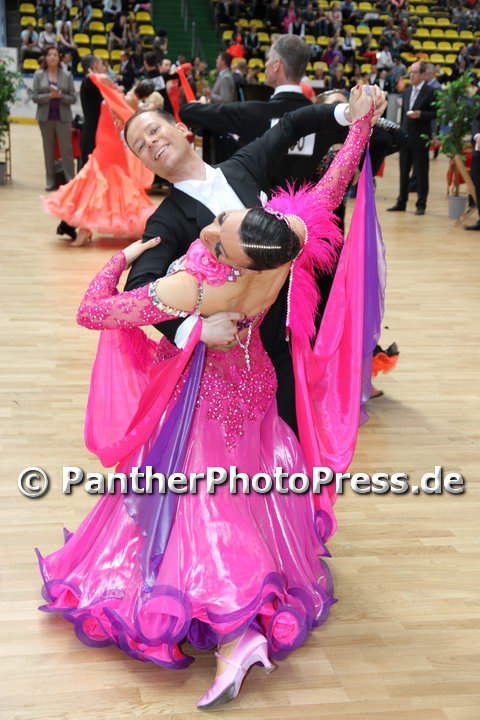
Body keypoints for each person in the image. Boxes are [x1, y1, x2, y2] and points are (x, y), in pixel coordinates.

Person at [35, 86, 376, 711]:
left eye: (220, 225)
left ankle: (235, 632)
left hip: (218, 393)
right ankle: (259, 592)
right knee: (251, 488)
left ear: (181, 129)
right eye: (140, 144)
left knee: (211, 506)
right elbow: (330, 187)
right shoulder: (284, 240)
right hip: (254, 383)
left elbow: (96, 310)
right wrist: (360, 127)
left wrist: (126, 268)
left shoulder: (197, 283)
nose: (215, 221)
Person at [123, 86, 387, 436]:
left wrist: (348, 115)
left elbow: (290, 125)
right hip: (233, 361)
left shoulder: (243, 166)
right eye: (140, 146)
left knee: (294, 441)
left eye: (154, 130)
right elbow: (139, 288)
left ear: (182, 129)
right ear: (145, 164)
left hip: (289, 338)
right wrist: (194, 330)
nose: (151, 142)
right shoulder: (165, 220)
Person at [179, 35, 355, 189]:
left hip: (259, 212)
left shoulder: (252, 113)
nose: (266, 65)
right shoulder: (323, 120)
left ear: (277, 65)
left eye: (269, 59)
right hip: (305, 212)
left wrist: (199, 104)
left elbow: (188, 112)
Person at [43, 73, 155, 246]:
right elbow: (93, 79)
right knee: (94, 181)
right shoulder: (109, 95)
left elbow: (130, 118)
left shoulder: (122, 98)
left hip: (111, 144)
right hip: (103, 141)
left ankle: (128, 225)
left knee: (103, 181)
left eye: (107, 79)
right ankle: (85, 228)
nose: (108, 80)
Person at [388, 61, 436, 215]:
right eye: (410, 72)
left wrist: (420, 114)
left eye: (415, 72)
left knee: (421, 173)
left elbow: (435, 113)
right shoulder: (407, 91)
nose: (411, 75)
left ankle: (421, 204)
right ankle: (401, 201)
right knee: (403, 172)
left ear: (422, 75)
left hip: (421, 138)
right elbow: (404, 115)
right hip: (406, 138)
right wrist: (399, 134)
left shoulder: (430, 91)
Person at [32, 45, 76, 191]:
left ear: (59, 58)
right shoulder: (39, 74)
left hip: (64, 118)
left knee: (66, 150)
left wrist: (60, 96)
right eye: (49, 54)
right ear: (45, 57)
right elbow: (35, 97)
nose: (52, 57)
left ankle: (70, 181)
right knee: (48, 150)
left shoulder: (67, 75)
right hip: (45, 118)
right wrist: (49, 96)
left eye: (55, 55)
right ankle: (50, 181)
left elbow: (73, 98)